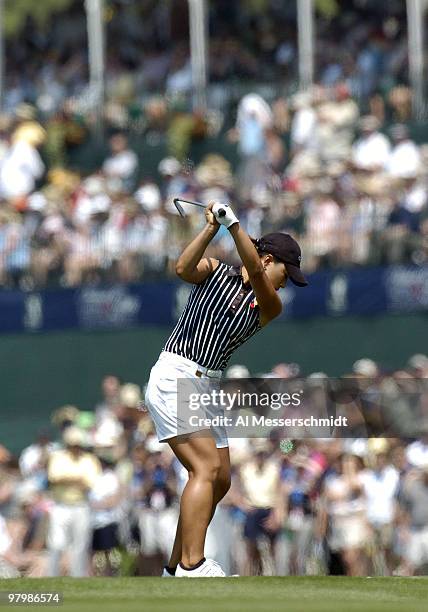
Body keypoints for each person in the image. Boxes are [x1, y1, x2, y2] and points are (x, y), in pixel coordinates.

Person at [144, 201, 307, 577]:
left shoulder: (270, 304)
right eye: (286, 271)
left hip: (206, 385)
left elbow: (252, 268)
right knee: (204, 468)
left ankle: (174, 567)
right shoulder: (216, 271)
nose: (287, 281)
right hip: (177, 373)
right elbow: (183, 268)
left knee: (220, 478)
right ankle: (192, 564)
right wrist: (210, 229)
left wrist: (232, 225)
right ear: (269, 261)